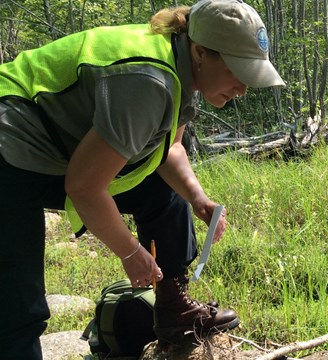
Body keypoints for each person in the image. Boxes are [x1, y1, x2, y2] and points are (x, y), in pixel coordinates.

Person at [0, 0, 285, 358]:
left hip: (53, 144)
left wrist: (198, 199)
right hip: (9, 141)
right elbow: (84, 187)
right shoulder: (149, 81)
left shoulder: (180, 71)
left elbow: (167, 150)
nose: (244, 88)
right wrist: (131, 251)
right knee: (17, 304)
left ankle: (173, 309)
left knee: (166, 194)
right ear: (200, 53)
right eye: (238, 71)